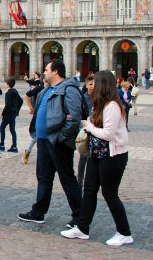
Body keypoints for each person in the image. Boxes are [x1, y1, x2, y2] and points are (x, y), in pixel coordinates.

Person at [61, 70, 133, 246]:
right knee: (89, 190)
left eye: (96, 82)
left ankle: (124, 232)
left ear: (104, 85)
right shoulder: (100, 104)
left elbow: (107, 135)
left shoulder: (113, 106)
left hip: (113, 156)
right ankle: (82, 228)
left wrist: (89, 126)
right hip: (97, 153)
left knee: (110, 193)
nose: (91, 86)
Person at [18, 60, 83, 227]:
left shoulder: (69, 90)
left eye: (46, 69)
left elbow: (74, 118)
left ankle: (80, 216)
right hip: (43, 141)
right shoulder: (47, 89)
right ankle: (38, 212)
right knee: (43, 178)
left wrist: (61, 136)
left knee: (67, 179)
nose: (44, 72)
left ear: (55, 72)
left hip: (58, 142)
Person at [22, 75, 47, 164]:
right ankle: (27, 152)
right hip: (39, 114)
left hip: (49, 115)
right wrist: (31, 107)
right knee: (36, 136)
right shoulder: (39, 88)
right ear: (43, 80)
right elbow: (27, 95)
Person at [77, 75, 95, 191]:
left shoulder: (100, 98)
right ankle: (79, 180)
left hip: (97, 130)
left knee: (94, 157)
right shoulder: (82, 98)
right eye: (90, 84)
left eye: (94, 84)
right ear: (87, 85)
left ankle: (92, 180)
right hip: (83, 129)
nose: (93, 86)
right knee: (83, 155)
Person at [0, 78, 23, 153]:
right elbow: (21, 101)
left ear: (8, 84)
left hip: (9, 113)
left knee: (2, 127)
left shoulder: (8, 93)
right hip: (14, 112)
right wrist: (17, 110)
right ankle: (14, 146)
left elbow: (7, 105)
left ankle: (2, 144)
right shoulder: (15, 91)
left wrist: (3, 113)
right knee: (12, 129)